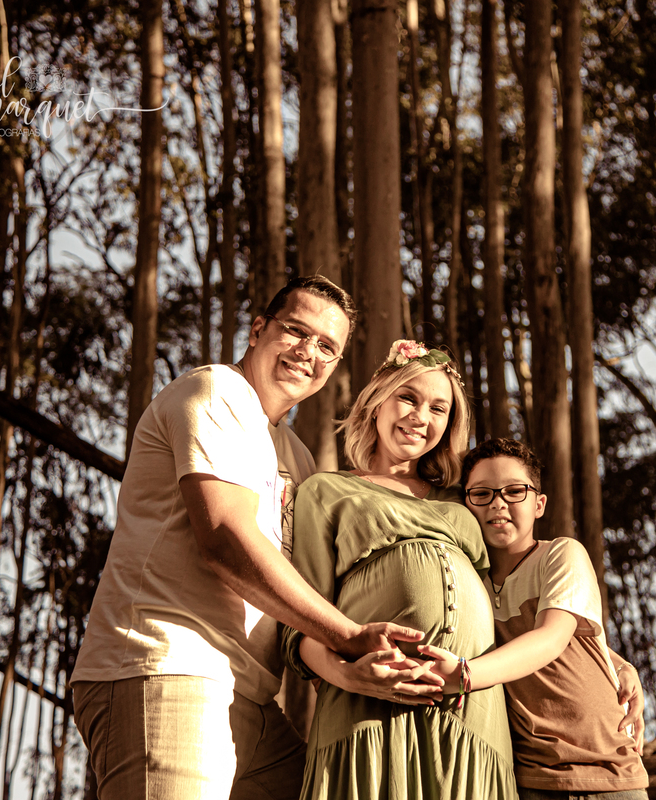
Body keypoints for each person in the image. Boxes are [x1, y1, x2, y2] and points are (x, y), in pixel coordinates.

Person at [71, 278, 440, 800]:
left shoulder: (296, 456)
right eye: (296, 331)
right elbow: (225, 539)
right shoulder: (216, 391)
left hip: (254, 698)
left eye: (327, 347)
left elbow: (307, 587)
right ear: (258, 329)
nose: (308, 352)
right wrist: (350, 636)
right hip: (168, 666)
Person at [280, 340, 518, 800]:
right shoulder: (326, 492)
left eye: (438, 408)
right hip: (368, 707)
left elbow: (520, 593)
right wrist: (351, 676)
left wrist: (599, 652)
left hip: (473, 712)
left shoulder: (464, 500)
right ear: (376, 403)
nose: (420, 417)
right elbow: (302, 620)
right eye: (408, 397)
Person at [420, 437, 651, 800]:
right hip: (532, 780)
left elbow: (553, 637)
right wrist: (619, 662)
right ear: (464, 504)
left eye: (514, 491)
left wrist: (463, 675)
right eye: (481, 493)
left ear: (539, 504)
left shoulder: (561, 555)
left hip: (608, 772)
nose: (498, 502)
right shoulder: (465, 580)